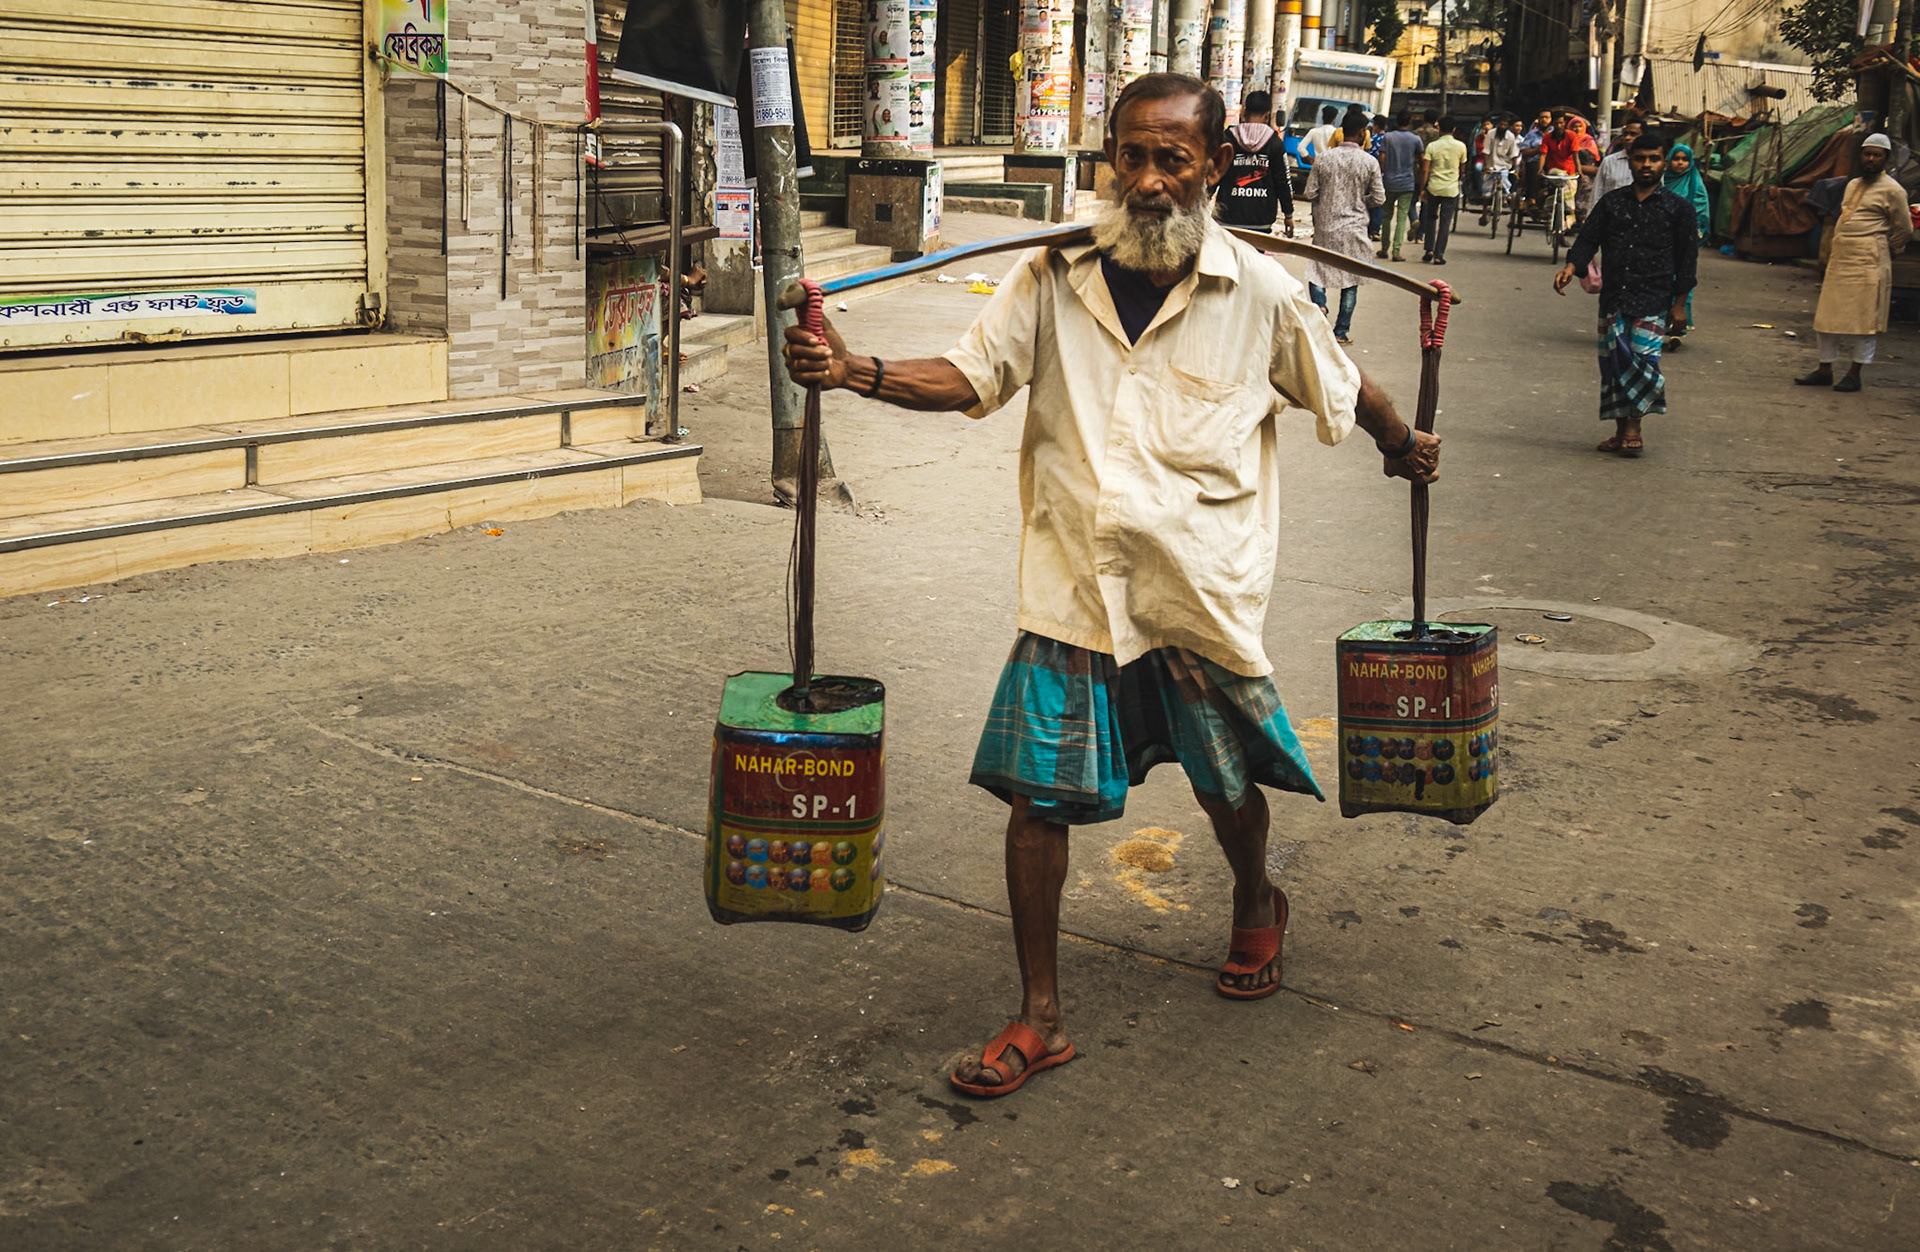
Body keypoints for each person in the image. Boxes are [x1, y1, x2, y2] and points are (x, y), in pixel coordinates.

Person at [781, 73, 1440, 1098]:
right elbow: (970, 377)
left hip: (1196, 592)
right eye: (1127, 155)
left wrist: (1405, 446)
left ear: (1215, 168)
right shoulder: (1053, 275)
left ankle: (1257, 898)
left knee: (1227, 788)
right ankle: (1040, 1015)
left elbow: (1342, 386)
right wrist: (854, 370)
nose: (1144, 178)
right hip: (1074, 590)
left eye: (1170, 158)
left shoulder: (1258, 291)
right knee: (1035, 802)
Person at [1555, 132, 1699, 457]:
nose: (1646, 165)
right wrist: (1571, 267)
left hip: (1653, 300)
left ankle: (1634, 429)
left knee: (1644, 364)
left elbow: (1687, 261)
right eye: (1640, 158)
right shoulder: (1612, 203)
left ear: (1663, 163)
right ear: (1630, 161)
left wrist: (1680, 306)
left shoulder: (1680, 210)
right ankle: (1621, 431)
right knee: (1614, 366)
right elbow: (1588, 239)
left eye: (1653, 159)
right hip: (1614, 300)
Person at [1795, 132, 1913, 392]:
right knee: (1826, 317)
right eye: (1866, 154)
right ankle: (1824, 369)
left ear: (1886, 158)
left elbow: (1904, 228)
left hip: (1870, 261)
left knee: (1863, 322)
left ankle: (1854, 373)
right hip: (1841, 261)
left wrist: (1891, 249)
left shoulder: (1894, 190)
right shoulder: (1852, 185)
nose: (1870, 159)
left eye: (1876, 155)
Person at [1299, 107, 1387, 343]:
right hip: (1355, 228)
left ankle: (1320, 307)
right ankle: (1341, 332)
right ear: (1361, 133)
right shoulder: (1369, 162)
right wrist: (1360, 201)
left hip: (1326, 225)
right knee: (1351, 280)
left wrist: (1328, 199)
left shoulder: (1324, 158)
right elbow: (1379, 198)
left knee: (1318, 271)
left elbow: (1310, 192)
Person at [1217, 90, 1295, 237]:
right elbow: (1282, 181)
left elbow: (1215, 174)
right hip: (1261, 221)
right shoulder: (1275, 143)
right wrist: (1288, 214)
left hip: (1228, 217)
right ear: (1267, 115)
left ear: (1244, 112)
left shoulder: (1228, 139)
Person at [1661, 142, 1711, 347]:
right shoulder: (1662, 181)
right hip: (1662, 241)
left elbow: (1702, 211)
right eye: (1676, 158)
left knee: (1683, 282)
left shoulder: (1695, 183)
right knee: (1663, 282)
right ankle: (1661, 325)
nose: (1680, 163)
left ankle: (1677, 331)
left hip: (1684, 241)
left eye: (1684, 159)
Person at [1376, 112, 1425, 261]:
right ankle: (1396, 251)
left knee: (1386, 215)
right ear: (1410, 122)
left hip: (1389, 182)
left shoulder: (1388, 137)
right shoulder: (1415, 139)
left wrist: (1382, 174)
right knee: (1402, 217)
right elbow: (1421, 160)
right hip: (1407, 182)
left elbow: (1382, 158)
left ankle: (1384, 248)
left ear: (1396, 122)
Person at [1419, 120, 1469, 264]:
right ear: (1453, 129)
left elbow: (1425, 169)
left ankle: (1429, 249)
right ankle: (1439, 254)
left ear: (1439, 129)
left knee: (1431, 218)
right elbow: (1462, 168)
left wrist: (1423, 188)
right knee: (1445, 222)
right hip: (1451, 189)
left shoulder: (1432, 146)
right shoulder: (1461, 146)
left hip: (1433, 187)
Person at [1590, 118, 1644, 204]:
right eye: (1625, 134)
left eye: (1633, 134)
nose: (1627, 138)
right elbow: (1597, 194)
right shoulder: (1609, 162)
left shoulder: (1650, 165)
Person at [1479, 118, 1521, 224]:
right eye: (1501, 124)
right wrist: (1486, 166)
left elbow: (1514, 154)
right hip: (1491, 164)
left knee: (1505, 183)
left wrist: (1515, 169)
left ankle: (1507, 198)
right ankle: (1484, 213)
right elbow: (1486, 151)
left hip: (1504, 166)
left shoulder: (1510, 137)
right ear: (1498, 124)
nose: (1502, 126)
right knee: (1487, 191)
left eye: (1505, 125)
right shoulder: (1491, 134)